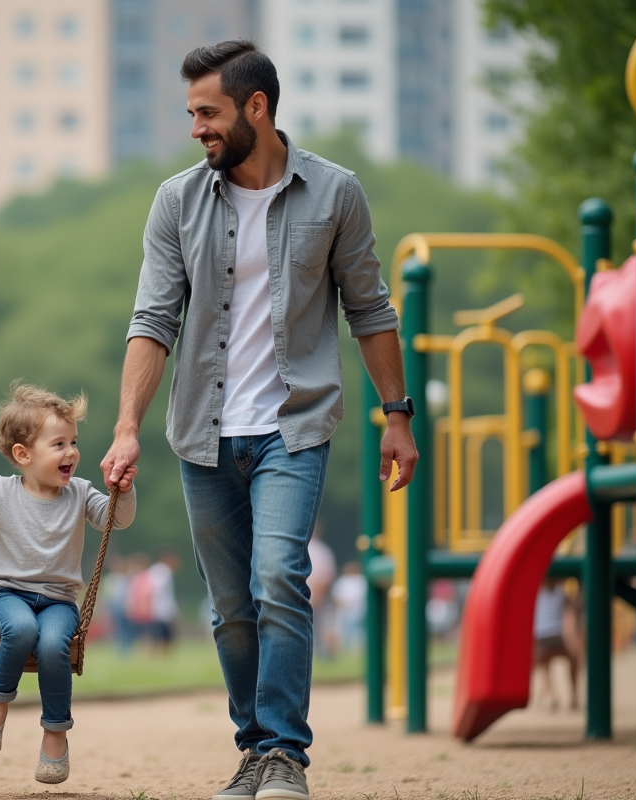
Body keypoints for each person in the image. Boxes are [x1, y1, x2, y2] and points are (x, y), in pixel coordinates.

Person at [99, 40, 418, 800]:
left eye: (207, 114)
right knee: (230, 609)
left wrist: (396, 415)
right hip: (202, 432)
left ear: (256, 107)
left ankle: (283, 754)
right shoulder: (177, 201)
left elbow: (370, 311)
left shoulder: (335, 193)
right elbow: (153, 320)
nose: (196, 129)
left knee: (279, 577)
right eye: (191, 115)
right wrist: (125, 427)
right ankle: (255, 750)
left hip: (293, 426)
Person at [0, 384, 137, 784]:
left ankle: (55, 734)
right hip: (4, 597)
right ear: (23, 455)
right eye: (59, 444)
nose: (71, 452)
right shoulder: (0, 490)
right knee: (22, 629)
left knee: (51, 645)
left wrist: (124, 491)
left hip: (59, 603)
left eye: (73, 442)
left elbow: (115, 519)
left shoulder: (80, 493)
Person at [533, 579, 580, 711]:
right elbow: (570, 618)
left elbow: (569, 618)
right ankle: (552, 694)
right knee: (542, 662)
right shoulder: (558, 592)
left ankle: (556, 694)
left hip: (553, 636)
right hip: (548, 637)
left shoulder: (561, 593)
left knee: (543, 662)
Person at [306, 527, 337, 660]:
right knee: (319, 627)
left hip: (311, 593)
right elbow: (327, 576)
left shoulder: (313, 549)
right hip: (316, 594)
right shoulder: (323, 550)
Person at [147, 550, 182, 653]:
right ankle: (164, 652)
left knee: (155, 632)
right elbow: (158, 589)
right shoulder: (165, 571)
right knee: (165, 633)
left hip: (154, 607)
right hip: (163, 607)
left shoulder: (153, 570)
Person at [331, 562, 367, 653]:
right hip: (345, 614)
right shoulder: (342, 581)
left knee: (358, 636)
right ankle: (345, 652)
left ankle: (356, 652)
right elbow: (337, 599)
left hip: (359, 614)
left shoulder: (361, 580)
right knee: (345, 635)